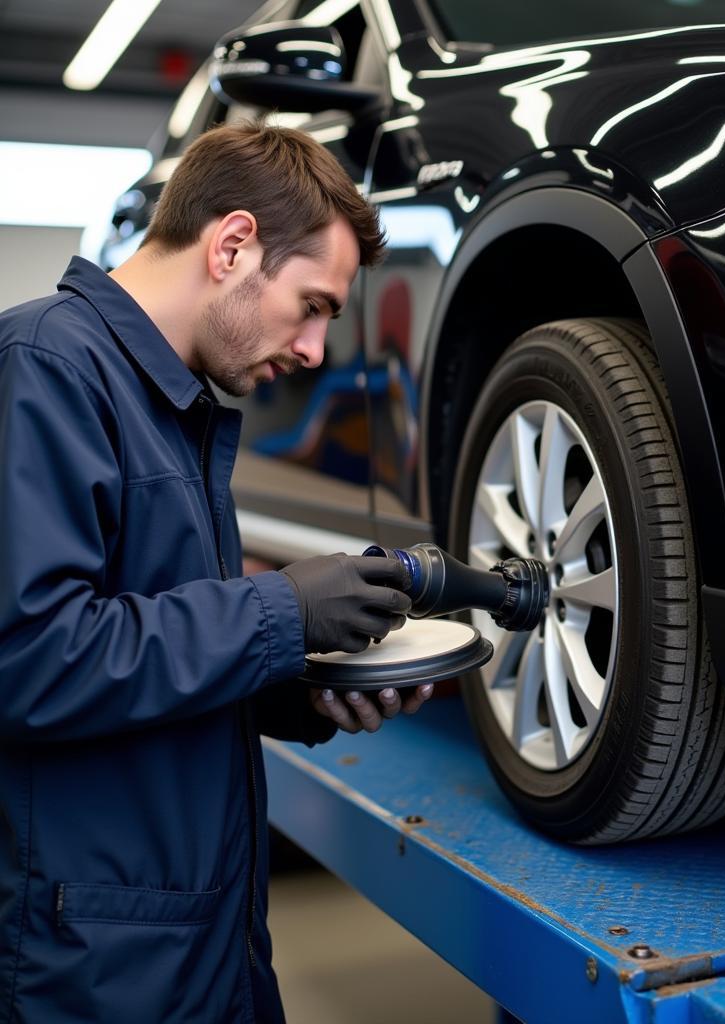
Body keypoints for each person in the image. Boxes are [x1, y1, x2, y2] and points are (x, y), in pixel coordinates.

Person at [0, 122, 432, 1022]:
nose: (316, 351)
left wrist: (301, 694)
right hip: (90, 975)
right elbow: (31, 660)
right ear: (233, 245)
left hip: (206, 950)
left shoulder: (178, 410)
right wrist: (280, 612)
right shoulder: (45, 369)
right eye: (313, 304)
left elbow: (150, 658)